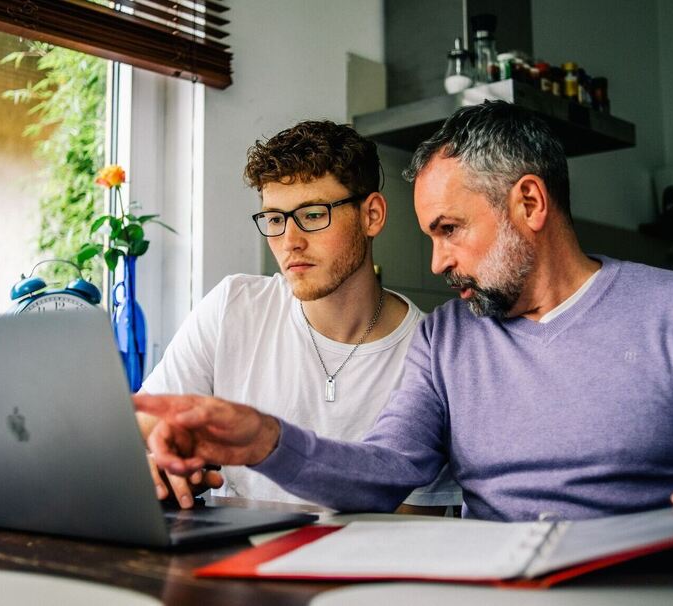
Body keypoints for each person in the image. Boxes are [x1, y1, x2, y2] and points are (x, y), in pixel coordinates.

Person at [136, 101, 673, 548]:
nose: (436, 259)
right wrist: (266, 440)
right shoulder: (447, 337)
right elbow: (383, 470)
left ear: (530, 202)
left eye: (450, 230)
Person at [138, 120, 460, 511]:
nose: (290, 241)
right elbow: (146, 425)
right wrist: (154, 462)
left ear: (371, 215)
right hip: (229, 561)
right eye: (275, 219)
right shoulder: (232, 306)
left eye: (312, 214)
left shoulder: (430, 352)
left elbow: (409, 528)